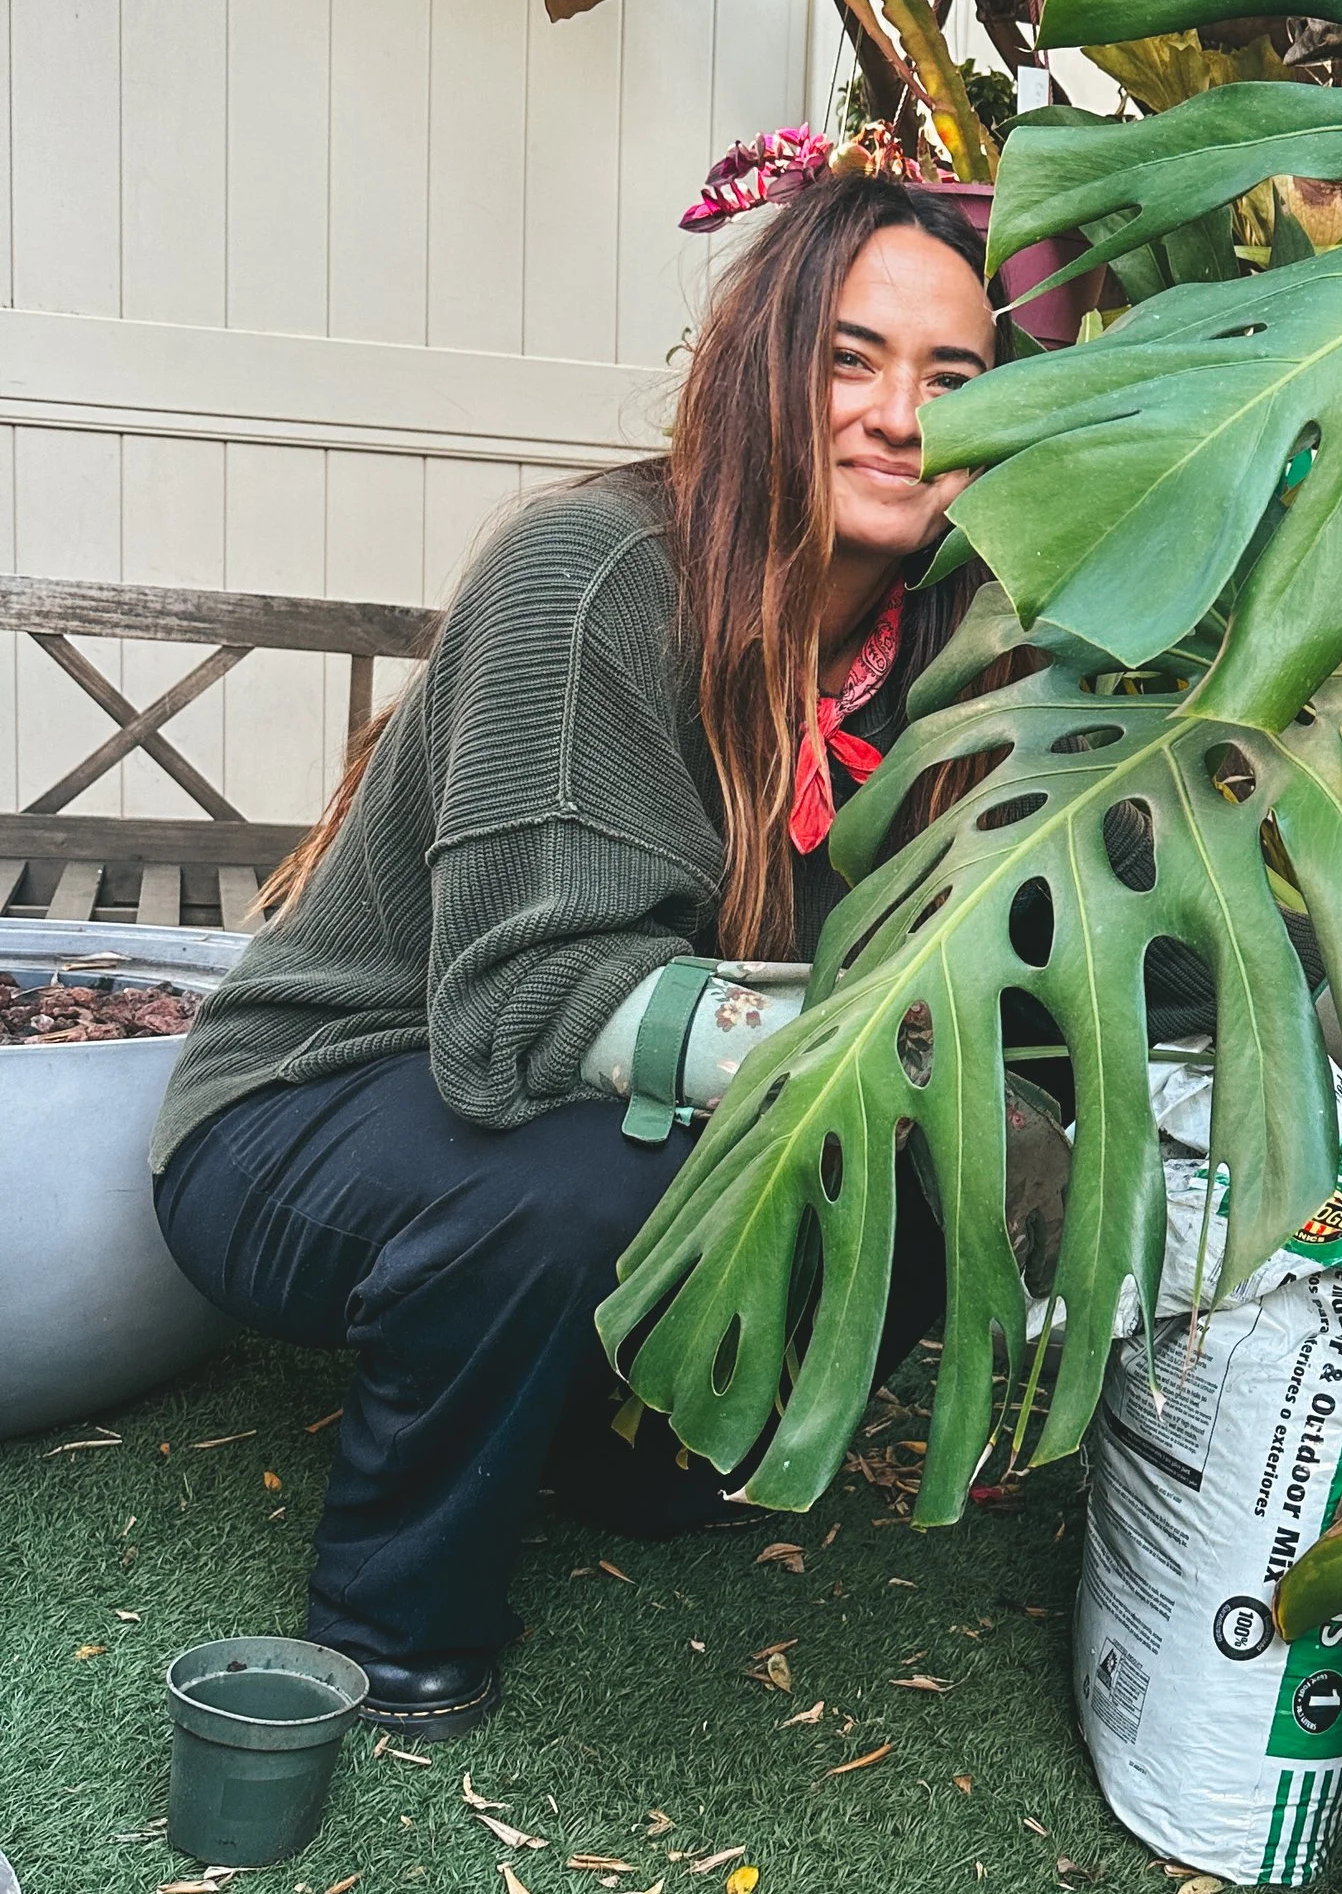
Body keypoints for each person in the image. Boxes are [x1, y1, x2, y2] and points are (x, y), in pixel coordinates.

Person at [151, 161, 999, 1741]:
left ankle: (621, 1445)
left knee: (919, 1158)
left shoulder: (963, 647)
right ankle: (395, 1624)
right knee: (581, 1183)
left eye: (950, 378)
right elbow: (523, 1010)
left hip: (623, 1097)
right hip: (319, 1105)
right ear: (763, 369)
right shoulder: (598, 571)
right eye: (849, 359)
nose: (900, 416)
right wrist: (884, 1041)